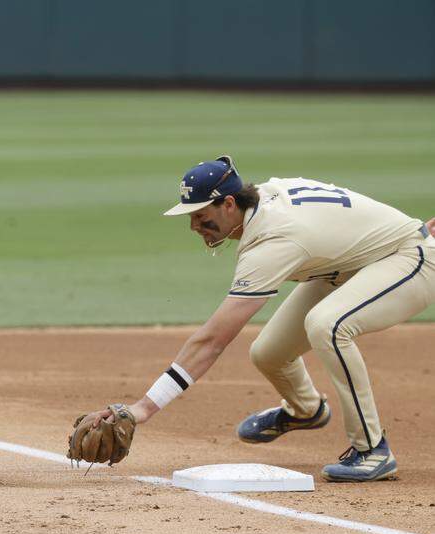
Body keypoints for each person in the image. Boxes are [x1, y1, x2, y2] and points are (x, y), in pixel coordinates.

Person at [76, 156, 435, 482]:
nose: (195, 226)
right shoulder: (261, 200)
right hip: (350, 264)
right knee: (268, 352)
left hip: (408, 260)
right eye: (191, 217)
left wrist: (143, 408)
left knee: (329, 325)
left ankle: (372, 450)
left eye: (202, 216)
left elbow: (213, 339)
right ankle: (305, 410)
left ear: (230, 204)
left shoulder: (273, 241)